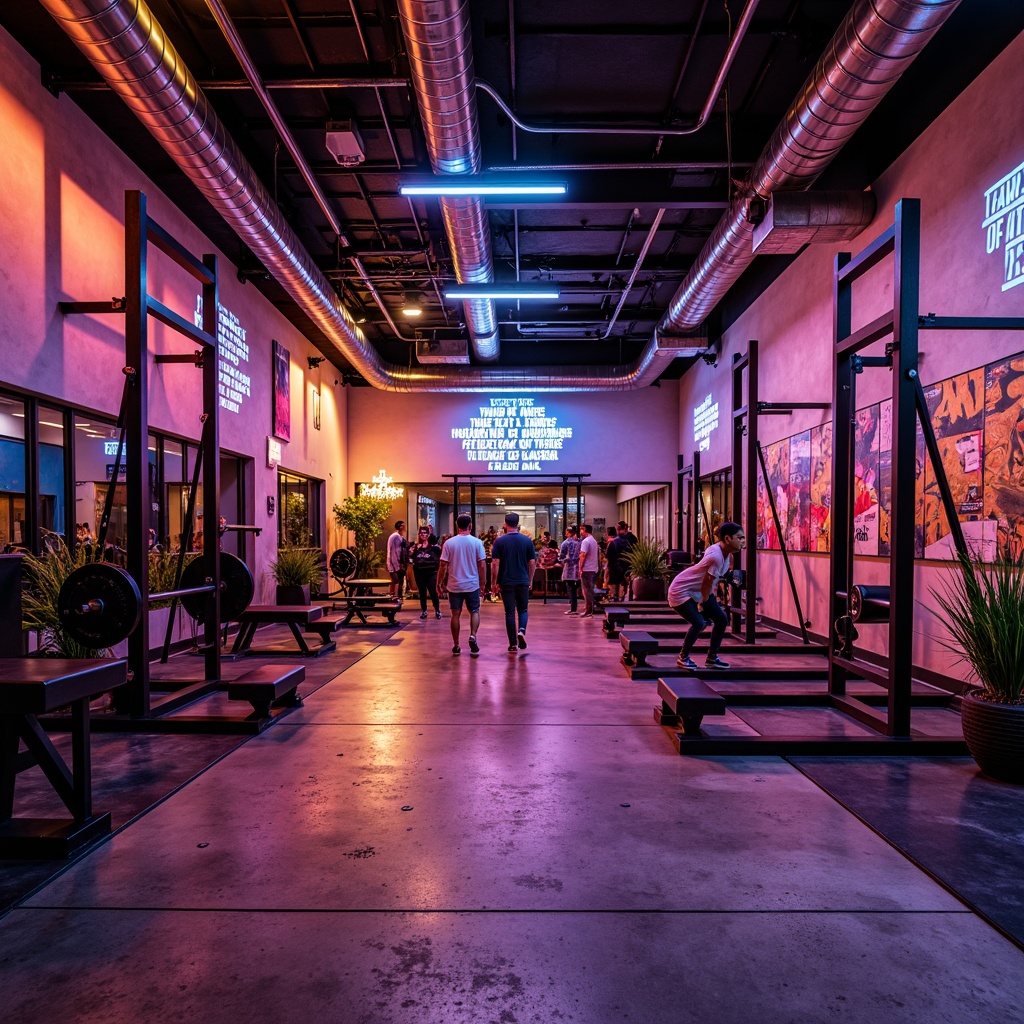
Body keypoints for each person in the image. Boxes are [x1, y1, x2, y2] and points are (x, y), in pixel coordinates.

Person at [668, 522, 745, 671]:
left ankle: (711, 658)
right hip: (681, 590)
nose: (742, 541)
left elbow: (713, 580)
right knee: (699, 623)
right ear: (728, 538)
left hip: (699, 590)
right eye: (739, 538)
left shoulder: (725, 554)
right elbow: (707, 582)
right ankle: (682, 658)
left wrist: (710, 600)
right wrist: (702, 603)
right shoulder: (716, 556)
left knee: (722, 620)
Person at [436, 514, 486, 656]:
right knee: (474, 611)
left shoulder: (449, 543)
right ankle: (473, 636)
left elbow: (443, 565)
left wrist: (439, 583)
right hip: (472, 584)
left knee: (455, 614)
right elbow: (482, 565)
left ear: (457, 526)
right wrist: (483, 582)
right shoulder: (477, 543)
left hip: (454, 585)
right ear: (470, 526)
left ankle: (456, 645)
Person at [490, 511, 537, 653]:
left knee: (509, 612)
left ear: (505, 524)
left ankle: (512, 644)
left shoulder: (499, 541)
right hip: (522, 580)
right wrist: (530, 579)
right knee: (523, 609)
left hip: (506, 581)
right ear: (518, 524)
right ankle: (521, 630)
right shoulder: (527, 541)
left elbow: (495, 563)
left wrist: (493, 583)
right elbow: (533, 562)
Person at [409, 526, 443, 619]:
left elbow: (441, 558)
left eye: (425, 533)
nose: (423, 535)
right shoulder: (415, 547)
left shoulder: (434, 547)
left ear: (428, 534)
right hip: (419, 572)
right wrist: (411, 552)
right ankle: (424, 610)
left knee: (433, 591)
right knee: (422, 592)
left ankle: (437, 610)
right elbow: (409, 557)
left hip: (432, 572)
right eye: (421, 533)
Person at [557, 525, 581, 614]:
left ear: (568, 532)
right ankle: (574, 607)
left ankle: (573, 608)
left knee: (571, 588)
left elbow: (561, 556)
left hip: (569, 568)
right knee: (575, 588)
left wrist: (560, 560)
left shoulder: (565, 543)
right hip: (578, 567)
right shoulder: (579, 542)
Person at [578, 522, 599, 616]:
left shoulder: (585, 541)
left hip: (587, 568)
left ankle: (588, 609)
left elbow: (583, 555)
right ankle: (591, 608)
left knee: (586, 590)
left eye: (581, 529)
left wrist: (580, 568)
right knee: (590, 589)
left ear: (584, 530)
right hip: (593, 568)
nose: (580, 532)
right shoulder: (593, 541)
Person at [605, 525, 629, 603]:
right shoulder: (626, 542)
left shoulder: (612, 542)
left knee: (613, 584)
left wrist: (607, 568)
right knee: (622, 583)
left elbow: (608, 556)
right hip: (623, 566)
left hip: (613, 566)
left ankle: (614, 597)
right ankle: (621, 597)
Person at [386, 520, 407, 600]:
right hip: (395, 564)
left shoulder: (400, 537)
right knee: (396, 581)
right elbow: (392, 551)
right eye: (403, 526)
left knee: (399, 581)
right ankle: (395, 597)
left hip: (399, 563)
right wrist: (394, 565)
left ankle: (398, 596)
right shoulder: (395, 536)